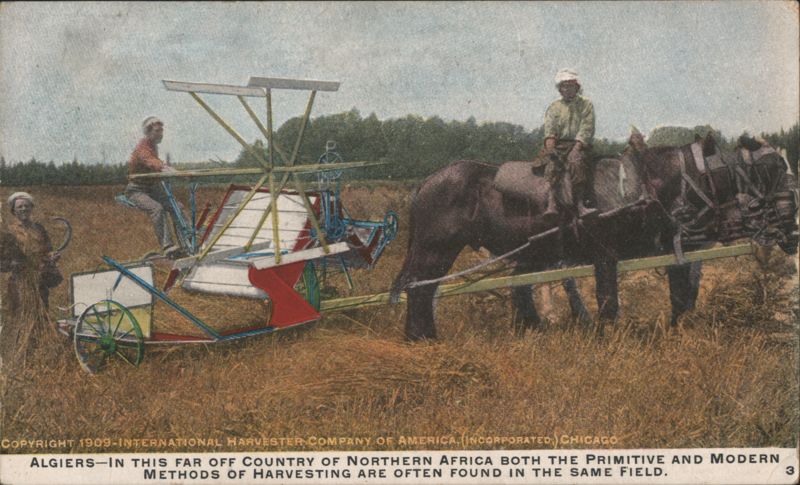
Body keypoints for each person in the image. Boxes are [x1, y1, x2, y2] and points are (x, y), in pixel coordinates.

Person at [538, 68, 598, 220]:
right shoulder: (554, 108)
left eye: (570, 85)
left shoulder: (586, 105)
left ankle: (580, 204)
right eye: (563, 86)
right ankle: (551, 204)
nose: (567, 89)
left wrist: (576, 149)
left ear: (577, 87)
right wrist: (551, 149)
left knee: (576, 163)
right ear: (559, 89)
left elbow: (587, 128)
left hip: (579, 144)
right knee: (551, 164)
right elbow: (550, 130)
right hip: (559, 144)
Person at [125, 116, 182, 257]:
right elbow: (150, 161)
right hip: (137, 190)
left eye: (161, 131)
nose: (160, 134)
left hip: (153, 188)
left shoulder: (153, 146)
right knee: (157, 209)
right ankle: (167, 246)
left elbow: (155, 162)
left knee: (177, 207)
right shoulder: (142, 147)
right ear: (148, 132)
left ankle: (186, 241)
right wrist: (165, 168)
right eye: (157, 131)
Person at [1, 192, 63, 311]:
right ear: (13, 210)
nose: (24, 209)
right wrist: (13, 265)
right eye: (20, 206)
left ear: (31, 208)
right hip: (19, 284)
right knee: (21, 316)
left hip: (40, 281)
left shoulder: (39, 228)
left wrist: (52, 256)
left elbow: (47, 249)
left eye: (26, 206)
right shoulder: (8, 232)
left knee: (41, 313)